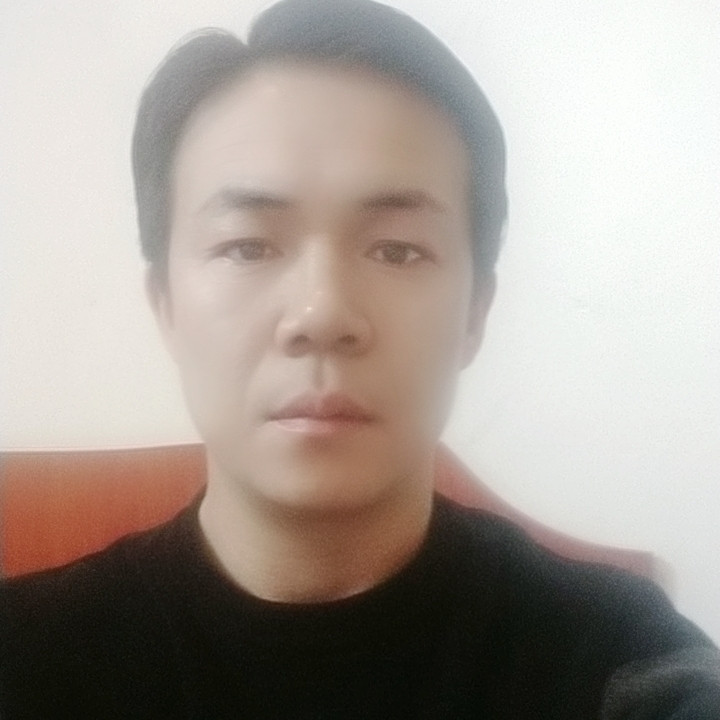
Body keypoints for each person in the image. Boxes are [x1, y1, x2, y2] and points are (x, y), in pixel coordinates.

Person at [1, 0, 718, 717]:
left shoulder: (610, 657)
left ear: (475, 310)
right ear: (166, 304)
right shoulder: (28, 657)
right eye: (248, 246)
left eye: (397, 250)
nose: (322, 314)